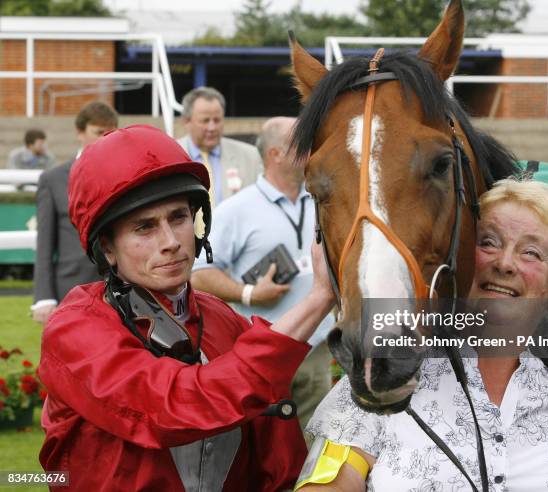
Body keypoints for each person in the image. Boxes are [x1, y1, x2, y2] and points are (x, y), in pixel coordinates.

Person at [38, 124, 336, 491]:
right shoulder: (76, 329)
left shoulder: (225, 321)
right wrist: (319, 299)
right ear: (108, 249)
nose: (171, 242)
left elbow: (277, 463)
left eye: (178, 218)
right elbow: (175, 408)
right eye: (144, 228)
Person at [298, 178, 548, 491]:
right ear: (458, 261)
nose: (505, 263)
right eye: (488, 242)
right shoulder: (384, 374)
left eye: (530, 252)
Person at [191, 117, 334, 430]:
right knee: (268, 447)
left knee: (318, 444)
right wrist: (249, 294)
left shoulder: (325, 205)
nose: (313, 151)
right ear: (275, 155)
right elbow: (199, 273)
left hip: (316, 350)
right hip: (264, 351)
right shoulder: (236, 210)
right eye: (303, 144)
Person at [31, 101, 118, 325]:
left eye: (110, 132)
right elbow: (45, 244)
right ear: (80, 132)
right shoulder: (53, 180)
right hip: (71, 290)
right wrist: (43, 297)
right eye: (99, 132)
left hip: (123, 291)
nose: (105, 138)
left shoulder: (126, 175)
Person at [177, 86, 262, 205]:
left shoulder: (251, 156)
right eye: (205, 121)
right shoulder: (170, 156)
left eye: (217, 120)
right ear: (186, 122)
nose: (212, 128)